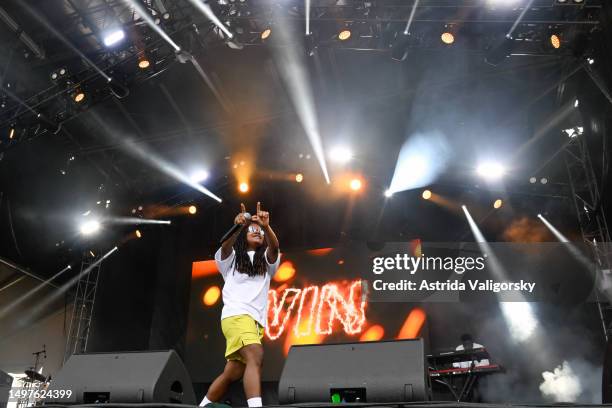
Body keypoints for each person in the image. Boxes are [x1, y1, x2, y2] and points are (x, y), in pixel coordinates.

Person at [199, 202, 280, 408]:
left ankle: (202, 405)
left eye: (260, 231)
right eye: (252, 229)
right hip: (236, 315)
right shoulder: (232, 259)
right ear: (244, 235)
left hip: (255, 322)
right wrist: (238, 225)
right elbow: (226, 244)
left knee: (232, 372)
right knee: (255, 354)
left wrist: (267, 226)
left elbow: (275, 247)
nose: (257, 232)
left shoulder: (266, 262)